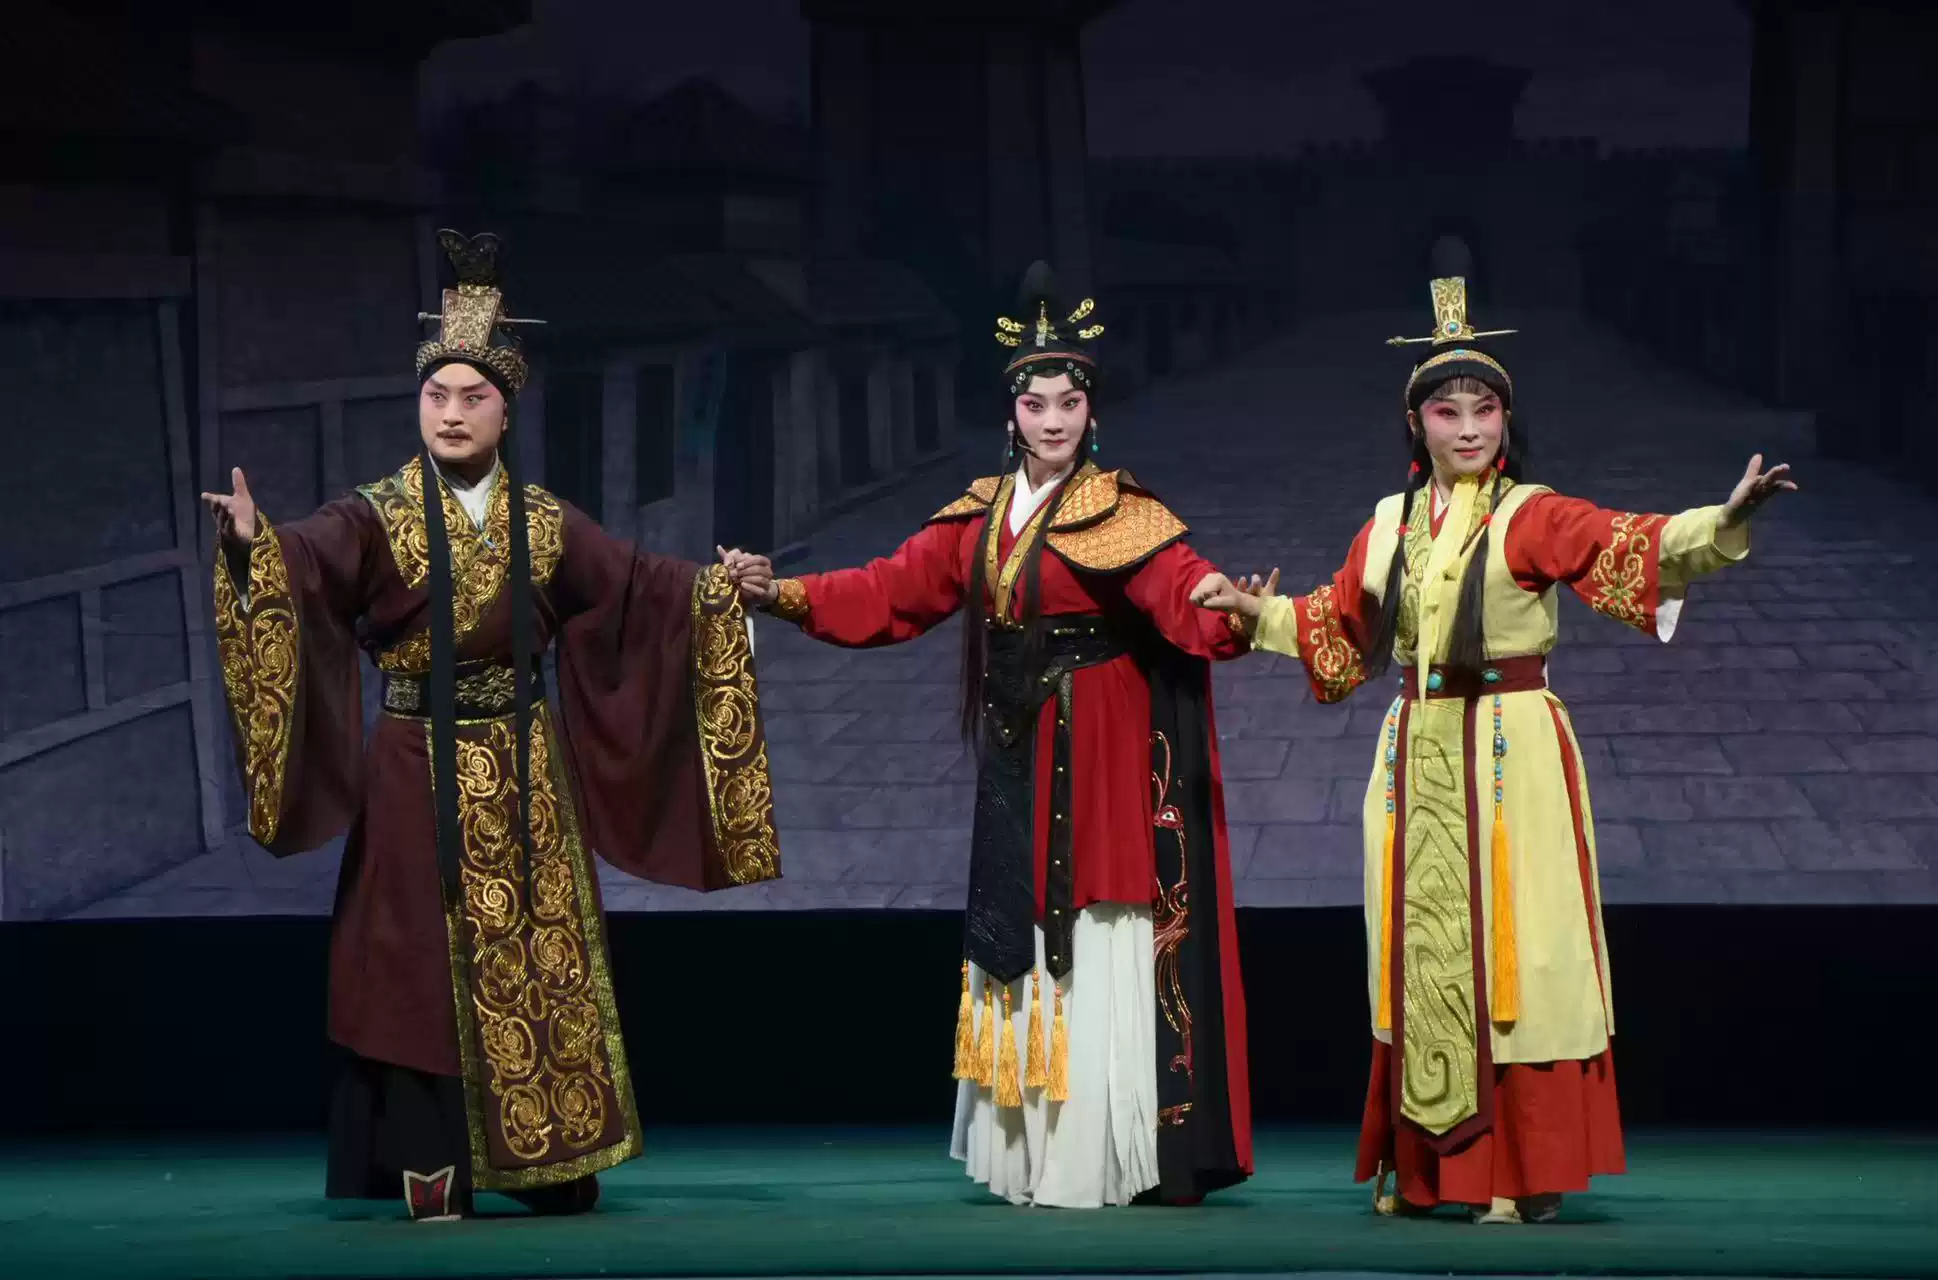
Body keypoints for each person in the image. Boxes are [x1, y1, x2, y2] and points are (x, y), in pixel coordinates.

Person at [200, 230, 781, 1221]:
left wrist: (720, 591)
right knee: (415, 961)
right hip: (412, 764)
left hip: (526, 767)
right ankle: (430, 1162)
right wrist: (258, 546)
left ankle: (549, 1156)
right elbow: (310, 558)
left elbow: (640, 586)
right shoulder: (375, 513)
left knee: (541, 956)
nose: (452, 412)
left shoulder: (545, 521)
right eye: (437, 395)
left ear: (507, 409)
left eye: (473, 397)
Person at [1194, 277, 1796, 1224]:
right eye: (1449, 411)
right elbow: (1341, 623)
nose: (1469, 427)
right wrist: (1255, 612)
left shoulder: (1531, 513)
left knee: (1519, 951)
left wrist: (1720, 524)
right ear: (1417, 423)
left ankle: (1519, 1171)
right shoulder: (1389, 523)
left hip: (1510, 754)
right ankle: (1428, 1171)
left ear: (1508, 419)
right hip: (1416, 748)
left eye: (1485, 409)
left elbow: (1627, 542)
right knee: (1417, 953)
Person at [722, 263, 1252, 1208]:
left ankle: (1102, 1153)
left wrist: (1228, 609)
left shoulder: (1123, 513)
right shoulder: (978, 515)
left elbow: (1180, 589)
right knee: (1020, 928)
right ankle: (1031, 1152)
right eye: (1036, 404)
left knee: (1092, 920)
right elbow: (889, 591)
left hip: (1097, 750)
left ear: (1092, 411)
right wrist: (784, 593)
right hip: (1017, 747)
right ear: (1011, 412)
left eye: (1069, 403)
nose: (1053, 421)